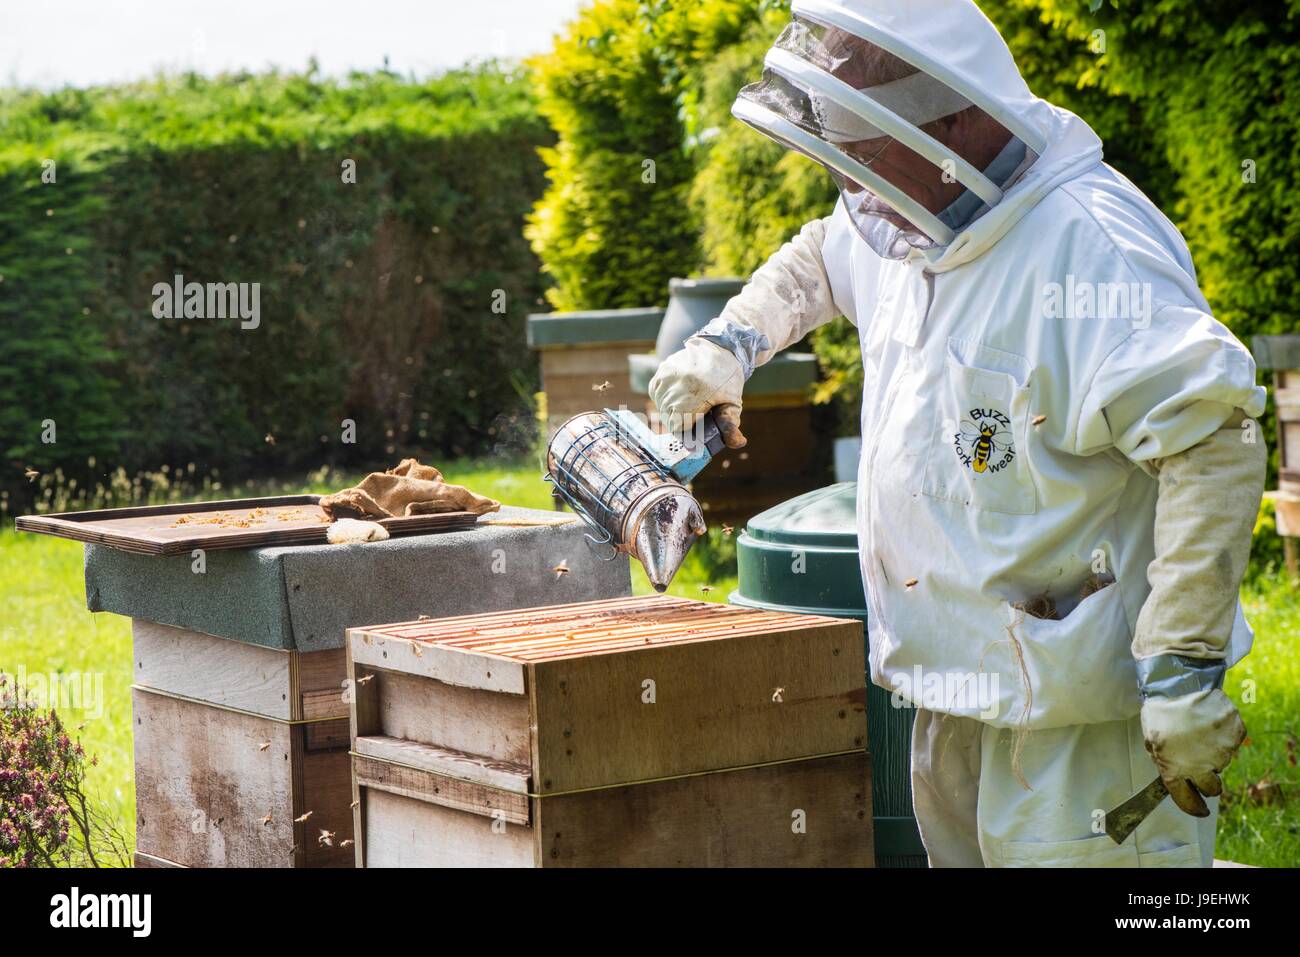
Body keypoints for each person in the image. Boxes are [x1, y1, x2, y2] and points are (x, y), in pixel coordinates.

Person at [649, 0, 1265, 867]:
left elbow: (1216, 444)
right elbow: (824, 255)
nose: (856, 184)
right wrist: (731, 342)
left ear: (958, 117)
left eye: (868, 153)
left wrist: (1183, 674)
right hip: (954, 688)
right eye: (845, 155)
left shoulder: (1090, 250)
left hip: (1084, 722)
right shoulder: (901, 211)